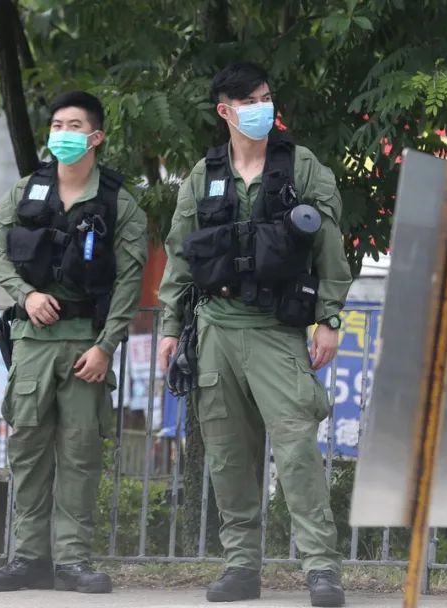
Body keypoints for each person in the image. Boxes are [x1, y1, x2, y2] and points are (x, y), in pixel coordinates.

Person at [157, 62, 352, 607]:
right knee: (228, 455)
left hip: (274, 331)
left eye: (266, 96)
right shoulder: (203, 175)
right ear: (225, 110)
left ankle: (321, 569)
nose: (263, 107)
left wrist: (330, 318)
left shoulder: (302, 167)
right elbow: (178, 254)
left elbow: (330, 248)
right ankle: (241, 566)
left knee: (296, 452)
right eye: (250, 101)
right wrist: (171, 327)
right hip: (216, 329)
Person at [0, 91, 148, 594]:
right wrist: (26, 296)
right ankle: (28, 558)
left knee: (79, 453)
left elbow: (129, 283)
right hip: (32, 339)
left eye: (74, 126)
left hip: (84, 343)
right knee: (27, 450)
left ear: (95, 137)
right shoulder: (26, 190)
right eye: (56, 124)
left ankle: (73, 560)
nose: (62, 134)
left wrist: (106, 346)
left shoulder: (120, 201)